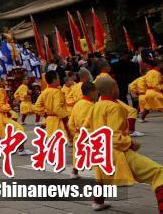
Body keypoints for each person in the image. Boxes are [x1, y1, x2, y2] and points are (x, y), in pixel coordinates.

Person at [86, 76, 163, 212]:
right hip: (117, 153)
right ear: (111, 90)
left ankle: (98, 202)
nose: (118, 89)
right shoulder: (114, 107)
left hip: (101, 151)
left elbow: (86, 128)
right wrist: (131, 143)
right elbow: (114, 137)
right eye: (116, 87)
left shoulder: (95, 106)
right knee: (158, 172)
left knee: (102, 176)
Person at [67, 81, 98, 180]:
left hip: (78, 133)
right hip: (89, 134)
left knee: (78, 155)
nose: (97, 94)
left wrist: (75, 132)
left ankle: (74, 172)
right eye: (96, 92)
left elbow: (70, 123)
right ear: (91, 92)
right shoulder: (91, 106)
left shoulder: (77, 104)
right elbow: (90, 120)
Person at [33, 70, 70, 139]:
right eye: (58, 78)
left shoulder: (45, 91)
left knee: (52, 140)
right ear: (55, 80)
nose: (59, 79)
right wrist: (65, 117)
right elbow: (57, 108)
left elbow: (36, 107)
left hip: (49, 119)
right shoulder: (57, 92)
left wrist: (44, 114)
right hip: (58, 120)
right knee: (59, 141)